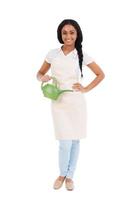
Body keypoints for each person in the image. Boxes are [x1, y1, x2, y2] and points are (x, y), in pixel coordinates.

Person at [36, 19, 105, 191]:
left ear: (77, 34)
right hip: (58, 103)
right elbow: (39, 73)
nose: (68, 36)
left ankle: (70, 176)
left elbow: (100, 74)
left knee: (74, 141)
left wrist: (86, 88)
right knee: (64, 142)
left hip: (76, 103)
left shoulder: (82, 55)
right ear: (60, 34)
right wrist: (42, 77)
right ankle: (62, 174)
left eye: (72, 32)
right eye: (65, 32)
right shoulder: (52, 54)